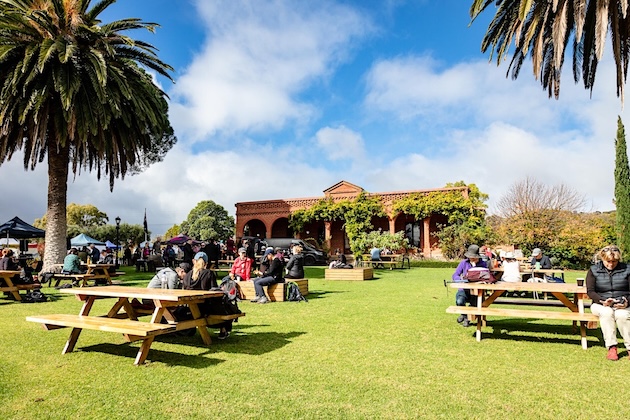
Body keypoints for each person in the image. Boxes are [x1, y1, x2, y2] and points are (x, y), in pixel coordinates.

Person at [586, 245, 630, 361]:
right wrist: (602, 301)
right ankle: (611, 347)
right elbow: (590, 291)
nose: (611, 264)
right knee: (607, 313)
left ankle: (629, 347)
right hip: (600, 303)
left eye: (614, 261)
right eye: (608, 261)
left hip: (623, 304)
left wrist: (626, 302)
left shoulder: (627, 269)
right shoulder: (593, 270)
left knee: (622, 315)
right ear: (602, 258)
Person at [452, 245, 487, 327]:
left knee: (475, 303)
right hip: (464, 289)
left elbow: (486, 276)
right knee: (459, 301)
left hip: (477, 290)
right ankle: (464, 315)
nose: (472, 258)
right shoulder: (463, 263)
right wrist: (459, 280)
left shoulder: (483, 264)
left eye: (474, 257)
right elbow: (455, 274)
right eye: (470, 257)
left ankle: (467, 319)